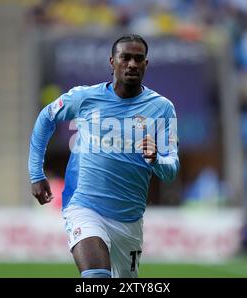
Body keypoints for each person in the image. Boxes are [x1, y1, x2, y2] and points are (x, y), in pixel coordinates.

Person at [28, 34, 180, 278]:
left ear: (146, 64)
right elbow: (46, 117)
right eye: (125, 58)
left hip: (129, 221)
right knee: (96, 277)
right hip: (85, 207)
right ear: (112, 62)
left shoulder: (162, 108)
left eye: (138, 59)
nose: (132, 64)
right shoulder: (85, 98)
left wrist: (156, 160)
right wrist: (36, 173)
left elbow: (171, 169)